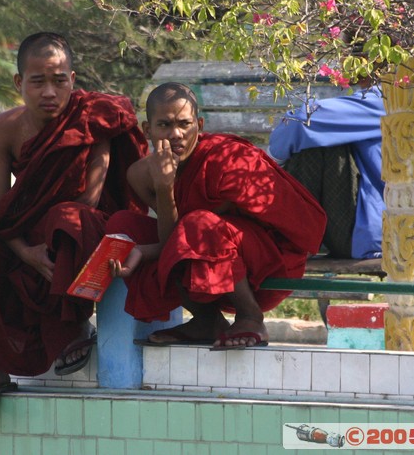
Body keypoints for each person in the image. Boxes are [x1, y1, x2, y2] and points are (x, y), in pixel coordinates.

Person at [0, 32, 148, 424]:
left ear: (72, 78)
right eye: (38, 81)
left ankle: (75, 324)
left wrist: (39, 243)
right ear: (19, 83)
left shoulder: (93, 117)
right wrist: (23, 253)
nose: (50, 91)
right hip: (24, 234)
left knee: (68, 219)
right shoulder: (5, 128)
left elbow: (91, 199)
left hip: (76, 226)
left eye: (59, 80)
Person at [107, 82, 327, 349]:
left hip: (264, 266)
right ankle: (207, 321)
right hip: (203, 263)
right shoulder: (140, 175)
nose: (176, 134)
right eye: (164, 125)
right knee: (124, 226)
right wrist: (165, 190)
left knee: (199, 223)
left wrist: (150, 246)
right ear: (147, 130)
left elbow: (186, 235)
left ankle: (251, 318)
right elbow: (173, 239)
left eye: (184, 124)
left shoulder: (226, 160)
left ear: (199, 126)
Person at [268, 81, 385, 260]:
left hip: (371, 236)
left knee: (317, 139)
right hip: (383, 233)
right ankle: (291, 236)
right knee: (322, 133)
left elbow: (301, 121)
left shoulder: (389, 98)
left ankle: (290, 241)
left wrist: (271, 161)